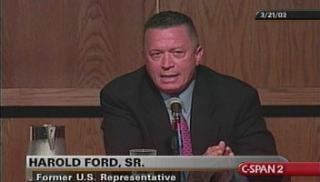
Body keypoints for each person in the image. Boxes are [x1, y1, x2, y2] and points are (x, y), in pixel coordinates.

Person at [100, 11, 278, 181]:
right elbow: (126, 173)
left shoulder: (237, 96)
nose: (167, 64)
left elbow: (266, 169)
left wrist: (230, 173)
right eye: (156, 54)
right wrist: (197, 176)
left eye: (177, 53)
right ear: (145, 57)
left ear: (197, 55)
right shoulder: (121, 96)